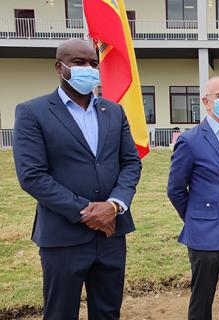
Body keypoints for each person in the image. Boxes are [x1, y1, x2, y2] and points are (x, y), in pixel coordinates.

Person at [12, 38, 142, 319]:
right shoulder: (32, 112)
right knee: (60, 312)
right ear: (60, 67)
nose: (89, 69)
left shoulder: (114, 111)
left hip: (112, 233)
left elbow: (130, 163)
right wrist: (87, 212)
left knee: (108, 312)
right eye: (79, 63)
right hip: (63, 237)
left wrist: (114, 206)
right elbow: (32, 176)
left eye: (93, 63)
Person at [167, 76, 219, 320]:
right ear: (206, 102)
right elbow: (175, 189)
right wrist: (197, 218)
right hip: (205, 235)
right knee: (202, 299)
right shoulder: (191, 140)